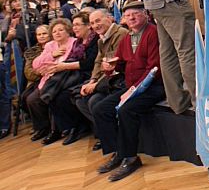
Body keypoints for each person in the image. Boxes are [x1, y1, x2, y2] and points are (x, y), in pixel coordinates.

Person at [94, 1, 165, 182]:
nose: (131, 18)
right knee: (100, 109)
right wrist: (109, 67)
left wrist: (133, 90)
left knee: (127, 109)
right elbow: (121, 63)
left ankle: (131, 158)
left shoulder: (152, 33)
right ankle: (118, 151)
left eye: (136, 13)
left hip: (154, 86)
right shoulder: (127, 38)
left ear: (146, 14)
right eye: (127, 15)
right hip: (132, 87)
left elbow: (154, 69)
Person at [75, 8, 129, 151]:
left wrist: (96, 85)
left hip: (120, 80)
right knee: (80, 100)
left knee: (94, 101)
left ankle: (115, 141)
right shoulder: (101, 39)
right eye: (92, 23)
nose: (95, 25)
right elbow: (98, 62)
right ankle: (105, 133)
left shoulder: (120, 34)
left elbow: (113, 64)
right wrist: (92, 81)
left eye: (98, 21)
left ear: (109, 18)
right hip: (106, 81)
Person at [48, 11, 99, 145]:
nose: (74, 28)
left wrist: (64, 66)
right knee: (52, 95)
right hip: (77, 74)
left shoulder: (95, 40)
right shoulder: (78, 42)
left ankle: (79, 127)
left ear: (88, 26)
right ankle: (72, 127)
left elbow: (90, 63)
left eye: (77, 25)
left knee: (64, 95)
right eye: (73, 25)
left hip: (89, 74)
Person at [21, 25, 51, 141]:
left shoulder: (54, 46)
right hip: (36, 79)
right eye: (39, 34)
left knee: (32, 99)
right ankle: (39, 123)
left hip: (50, 77)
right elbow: (28, 72)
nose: (42, 36)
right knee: (24, 98)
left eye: (44, 33)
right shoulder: (31, 52)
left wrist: (43, 69)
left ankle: (44, 127)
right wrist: (40, 72)